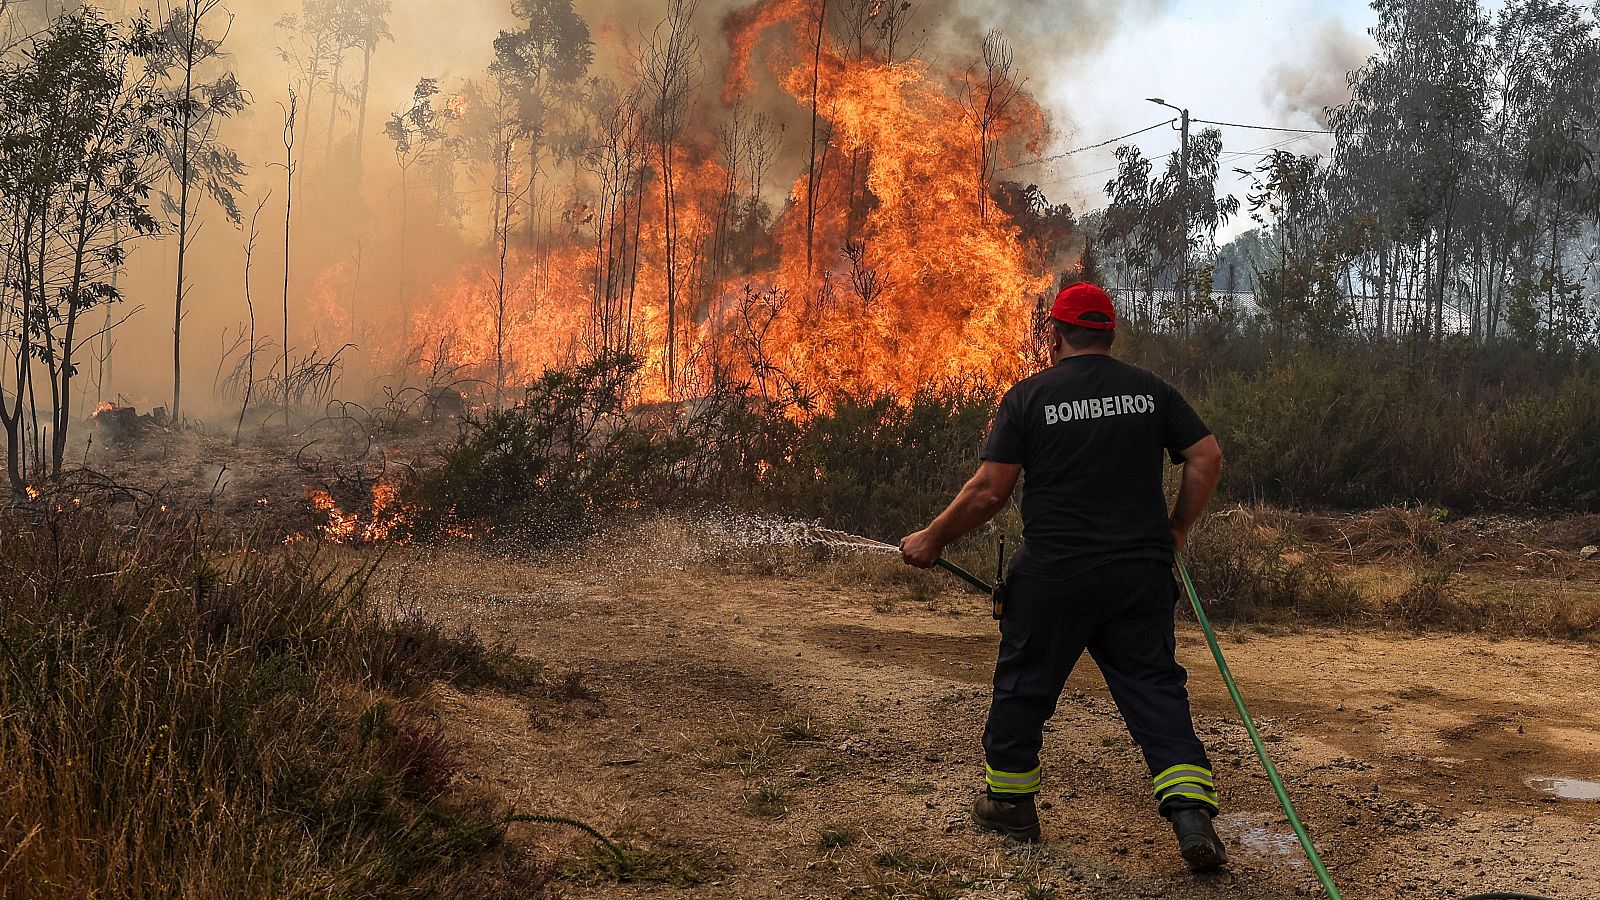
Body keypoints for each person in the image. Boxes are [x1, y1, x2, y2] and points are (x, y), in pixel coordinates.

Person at [899, 281, 1228, 872]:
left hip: (1055, 576)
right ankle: (1190, 814)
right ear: (1109, 333)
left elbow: (989, 491)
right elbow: (1207, 456)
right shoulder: (1150, 392)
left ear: (1054, 333)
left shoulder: (1030, 397)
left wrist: (932, 537)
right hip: (1138, 576)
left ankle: (1011, 806)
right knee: (1153, 687)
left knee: (1025, 686)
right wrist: (1176, 528)